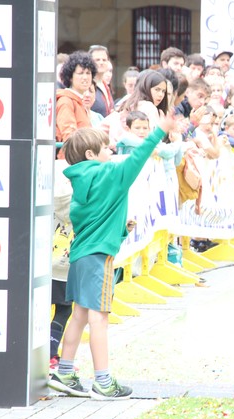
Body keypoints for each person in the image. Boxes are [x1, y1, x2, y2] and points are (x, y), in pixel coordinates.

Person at [48, 111, 176, 400]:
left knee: (79, 315)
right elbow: (137, 159)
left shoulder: (81, 181)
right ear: (92, 153)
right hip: (98, 257)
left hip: (80, 255)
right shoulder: (110, 175)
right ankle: (103, 381)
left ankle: (65, 371)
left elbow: (90, 217)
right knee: (99, 317)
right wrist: (160, 131)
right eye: (106, 147)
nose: (112, 149)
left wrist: (120, 227)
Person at [50, 158, 74, 371]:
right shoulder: (80, 198)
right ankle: (51, 354)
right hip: (65, 266)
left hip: (44, 264)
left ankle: (44, 353)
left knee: (37, 310)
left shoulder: (47, 192)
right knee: (64, 310)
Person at [56, 51, 98, 144]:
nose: (85, 77)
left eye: (88, 73)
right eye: (80, 73)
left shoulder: (79, 101)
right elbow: (69, 137)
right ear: (70, 77)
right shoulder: (66, 101)